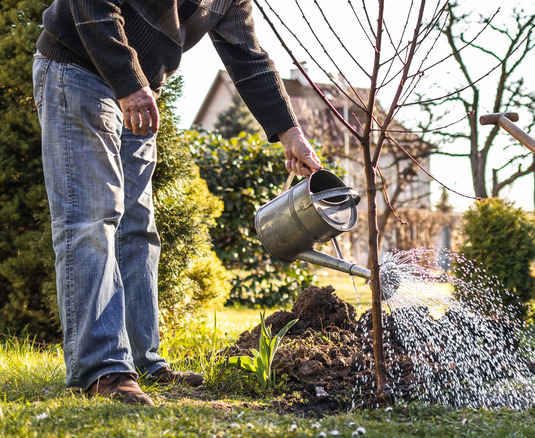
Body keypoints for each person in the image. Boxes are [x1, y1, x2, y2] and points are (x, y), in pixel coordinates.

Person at [32, 0, 323, 406]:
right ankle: (102, 370)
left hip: (139, 88)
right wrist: (128, 83)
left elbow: (249, 58)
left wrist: (290, 134)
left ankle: (144, 361)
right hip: (79, 67)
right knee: (91, 218)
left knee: (137, 228)